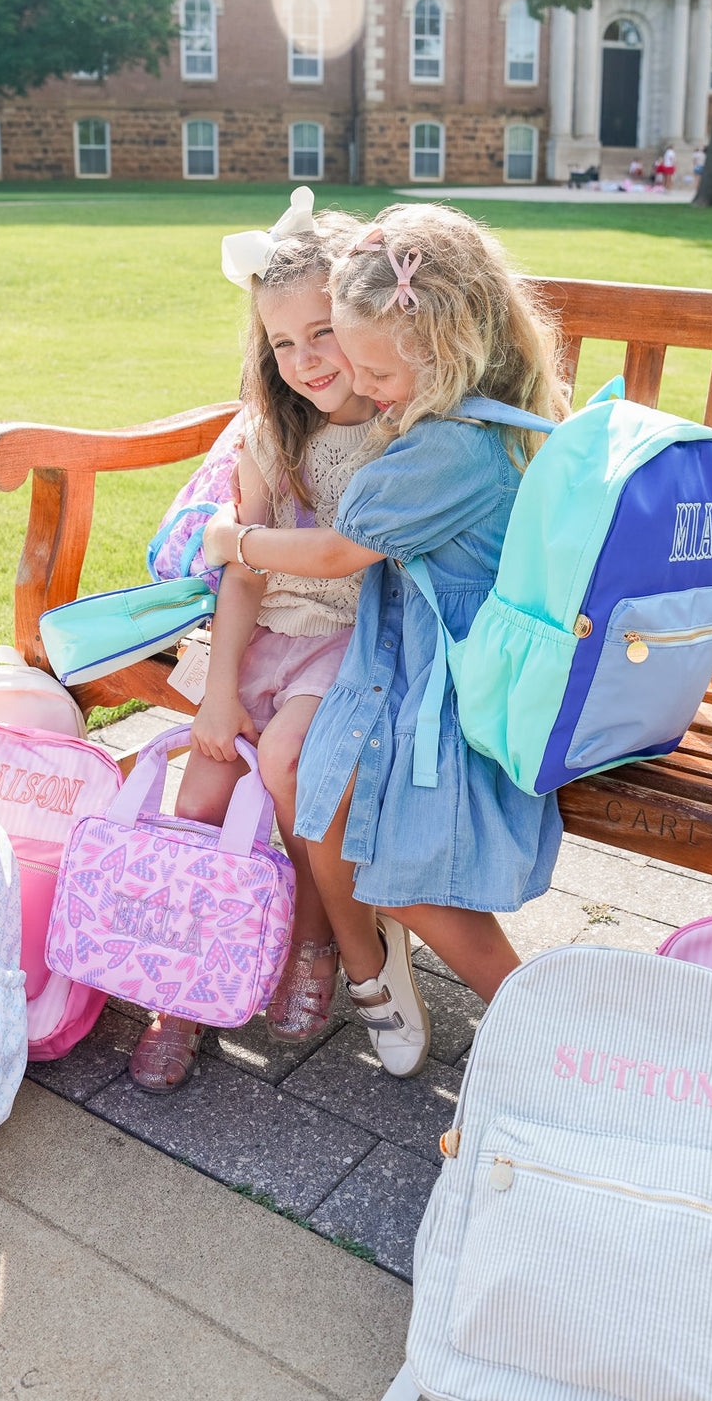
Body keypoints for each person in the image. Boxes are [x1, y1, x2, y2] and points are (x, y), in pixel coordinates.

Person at [204, 203, 568, 1080]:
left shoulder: (446, 449)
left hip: (445, 685)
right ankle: (528, 1020)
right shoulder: (473, 415)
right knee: (347, 817)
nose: (365, 390)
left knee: (381, 856)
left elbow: (338, 549)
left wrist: (235, 543)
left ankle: (546, 1026)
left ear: (435, 349)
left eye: (374, 369)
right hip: (422, 660)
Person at [127, 189, 377, 1092]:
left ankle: (312, 943)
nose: (307, 360)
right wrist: (218, 687)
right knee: (199, 794)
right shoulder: (270, 438)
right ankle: (179, 992)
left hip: (350, 647)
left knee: (290, 764)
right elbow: (240, 573)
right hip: (262, 638)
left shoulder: (398, 437)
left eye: (325, 332)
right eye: (284, 342)